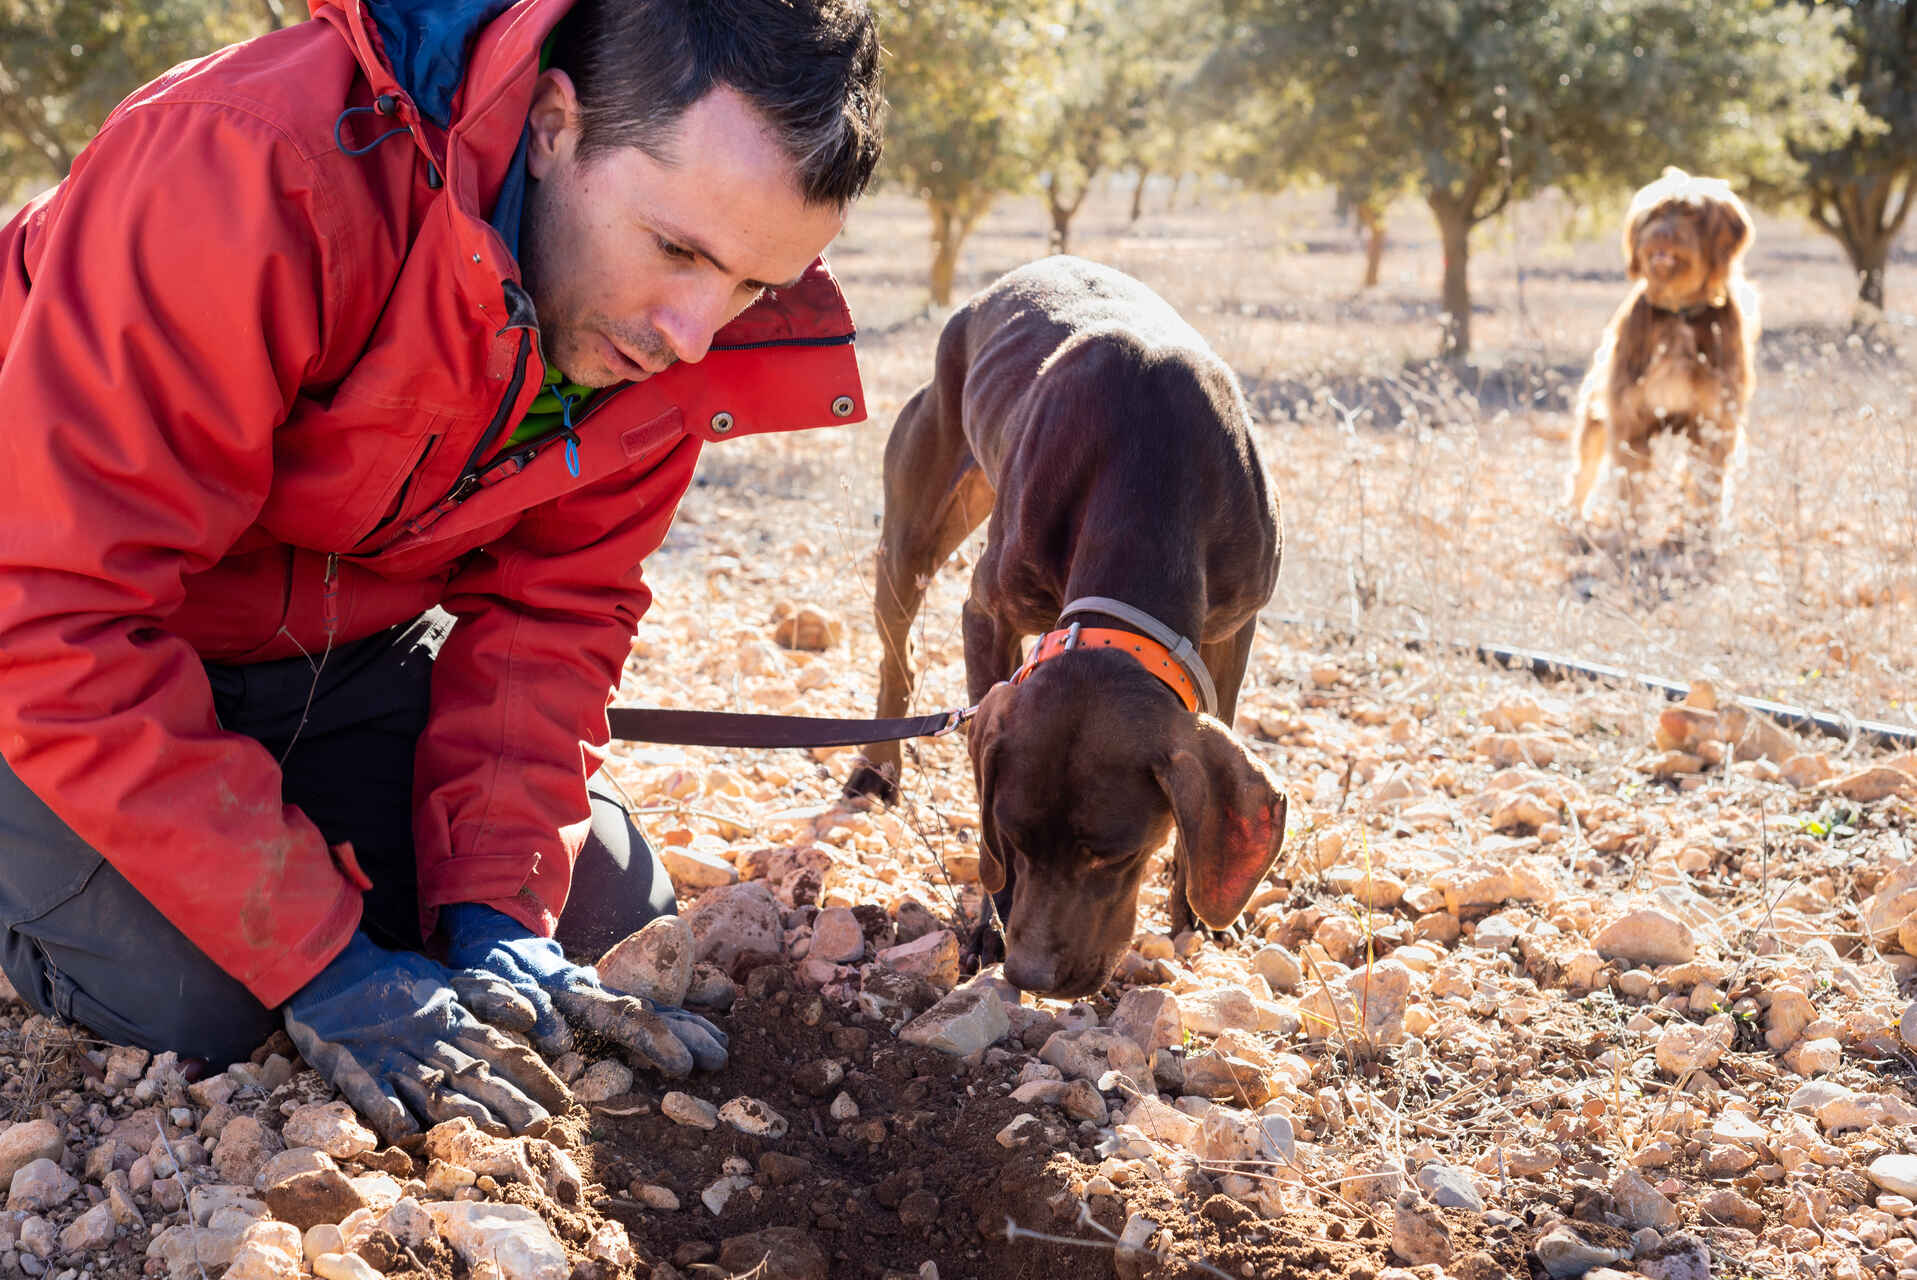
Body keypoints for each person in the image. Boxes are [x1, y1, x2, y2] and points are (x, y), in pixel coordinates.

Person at [0, 0, 882, 1142]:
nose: (694, 335)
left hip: (328, 648)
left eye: (755, 286)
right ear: (556, 124)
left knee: (593, 915)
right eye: (678, 250)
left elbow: (550, 613)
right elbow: (56, 614)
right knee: (212, 998)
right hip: (45, 631)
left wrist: (495, 906)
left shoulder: (652, 331)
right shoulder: (251, 162)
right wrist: (315, 951)